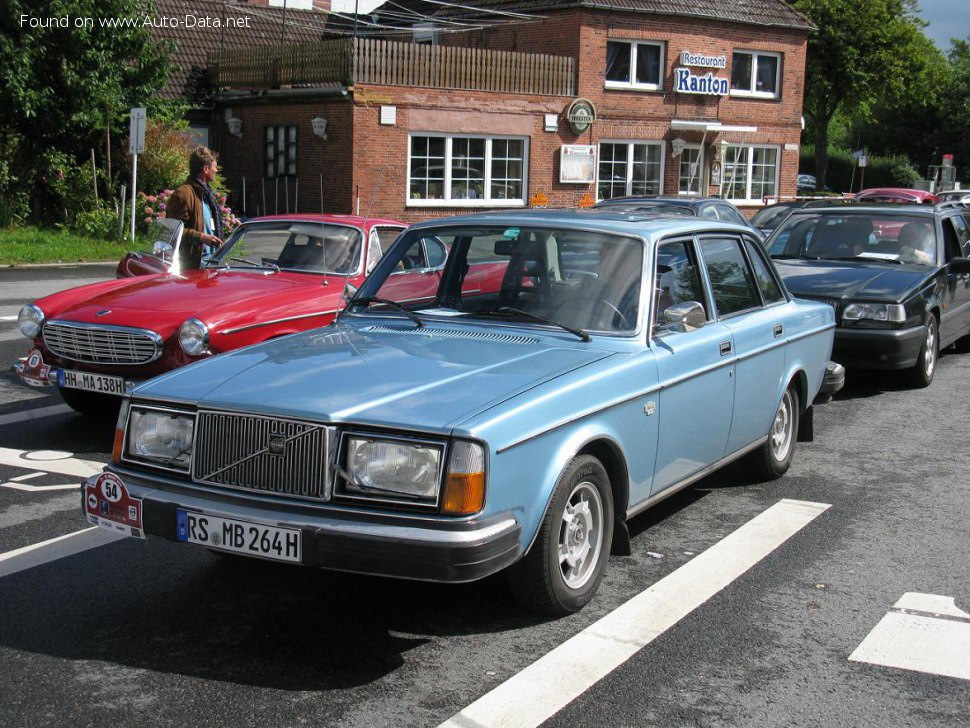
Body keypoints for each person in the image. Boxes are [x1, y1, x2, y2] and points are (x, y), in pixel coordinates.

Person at [166, 146, 226, 270]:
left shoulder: (207, 194)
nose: (216, 170)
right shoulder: (183, 194)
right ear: (205, 169)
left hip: (213, 262)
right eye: (214, 167)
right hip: (194, 266)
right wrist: (200, 237)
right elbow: (173, 231)